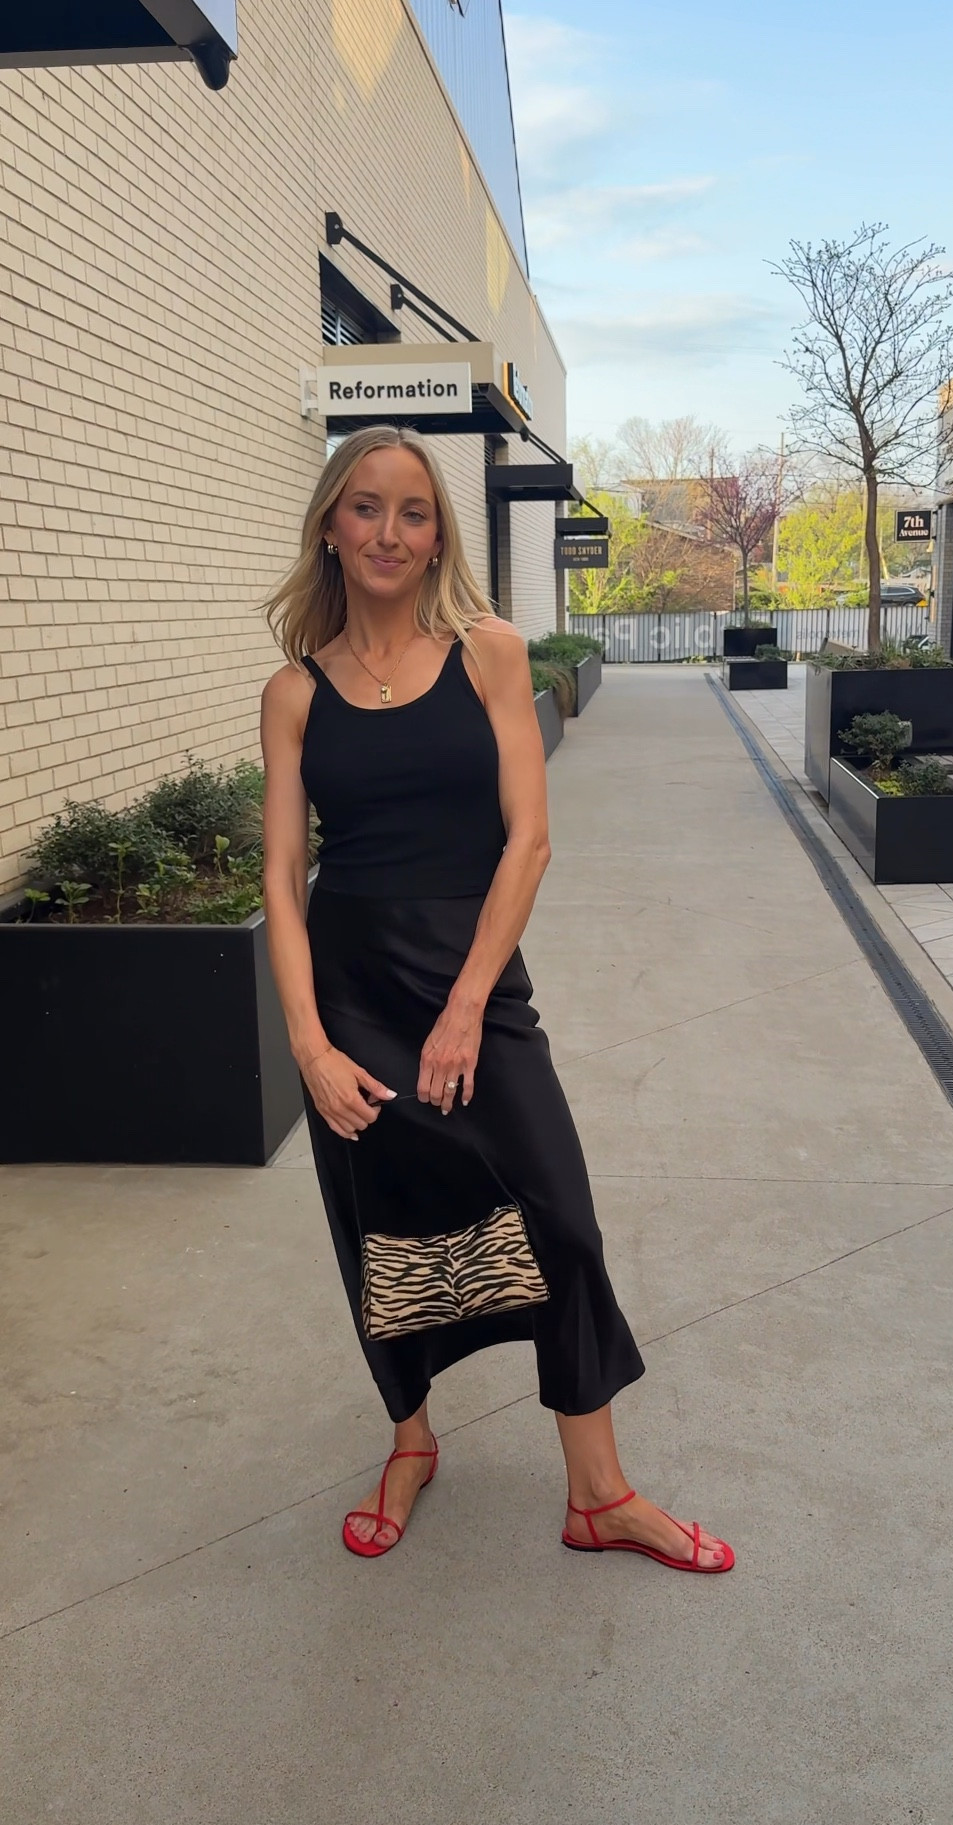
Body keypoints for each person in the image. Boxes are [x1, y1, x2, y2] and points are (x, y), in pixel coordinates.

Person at [260, 424, 733, 1574]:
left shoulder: (490, 654)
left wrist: (470, 1003)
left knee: (558, 1218)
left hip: (472, 983)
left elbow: (529, 840)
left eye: (412, 512)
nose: (388, 531)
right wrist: (311, 1048)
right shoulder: (294, 693)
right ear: (331, 524)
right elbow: (280, 879)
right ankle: (412, 1442)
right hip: (354, 990)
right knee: (390, 1234)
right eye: (365, 507)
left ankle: (599, 1493)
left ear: (438, 537)